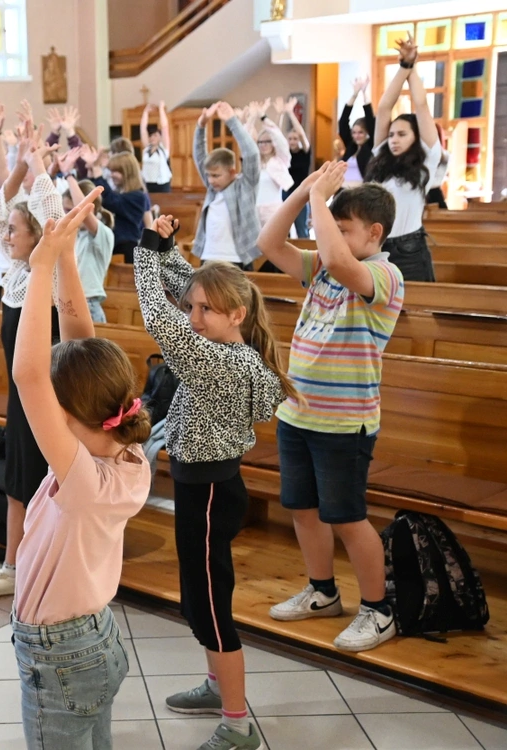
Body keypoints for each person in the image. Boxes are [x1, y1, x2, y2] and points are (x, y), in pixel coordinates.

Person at [135, 214, 290, 750]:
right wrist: (166, 248)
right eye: (194, 308)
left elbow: (158, 314)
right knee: (198, 597)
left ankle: (238, 723)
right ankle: (215, 685)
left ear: (236, 315)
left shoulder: (216, 362)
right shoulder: (228, 344)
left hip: (208, 495)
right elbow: (189, 287)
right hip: (204, 489)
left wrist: (144, 252)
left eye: (206, 310)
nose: (194, 317)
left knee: (210, 608)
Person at [12, 189, 150, 749]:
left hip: (62, 654)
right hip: (92, 640)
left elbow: (28, 376)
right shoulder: (124, 454)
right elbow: (81, 346)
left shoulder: (82, 480)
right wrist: (68, 258)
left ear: (67, 413)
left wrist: (41, 265)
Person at [257, 161, 404, 652]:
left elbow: (343, 263)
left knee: (346, 516)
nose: (330, 238)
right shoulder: (321, 268)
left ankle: (378, 610)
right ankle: (323, 592)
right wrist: (304, 192)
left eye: (343, 229)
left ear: (375, 232)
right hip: (299, 411)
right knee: (303, 509)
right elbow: (268, 244)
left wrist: (321, 200)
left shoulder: (384, 275)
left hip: (343, 421)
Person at [0, 127, 63, 603]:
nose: (5, 236)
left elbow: (53, 215)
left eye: (14, 232)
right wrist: (22, 162)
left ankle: (40, 567)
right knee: (17, 479)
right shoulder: (17, 272)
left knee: (42, 481)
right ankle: (14, 566)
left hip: (48, 397)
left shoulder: (49, 270)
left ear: (36, 238)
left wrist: (39, 167)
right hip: (19, 395)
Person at [366, 36, 441, 283]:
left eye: (401, 134)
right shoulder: (382, 158)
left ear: (416, 137)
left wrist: (411, 67)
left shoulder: (426, 160)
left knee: (419, 305)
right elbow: (384, 108)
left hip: (411, 250)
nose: (394, 140)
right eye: (391, 135)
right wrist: (403, 67)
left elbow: (422, 106)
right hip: (377, 248)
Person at [192, 102, 261, 271]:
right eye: (209, 175)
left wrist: (232, 121)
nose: (210, 180)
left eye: (216, 176)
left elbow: (252, 154)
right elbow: (199, 154)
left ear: (232, 172)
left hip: (236, 259)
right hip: (208, 257)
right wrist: (201, 124)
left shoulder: (245, 186)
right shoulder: (212, 190)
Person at [63, 177, 114, 323]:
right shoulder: (74, 235)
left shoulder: (104, 233)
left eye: (70, 210)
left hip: (88, 305)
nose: (66, 215)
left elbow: (83, 212)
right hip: (70, 303)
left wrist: (69, 177)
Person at [86, 149, 151, 262]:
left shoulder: (138, 197)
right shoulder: (121, 193)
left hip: (126, 250)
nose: (112, 175)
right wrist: (91, 170)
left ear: (128, 172)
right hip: (115, 247)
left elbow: (110, 200)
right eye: (111, 171)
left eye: (116, 171)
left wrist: (97, 170)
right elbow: (97, 195)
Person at [245, 99, 293, 228]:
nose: (263, 145)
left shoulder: (280, 160)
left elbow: (278, 137)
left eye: (267, 142)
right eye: (260, 142)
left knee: (272, 239)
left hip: (273, 210)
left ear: (273, 144)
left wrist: (263, 117)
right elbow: (244, 138)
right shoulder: (255, 162)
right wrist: (252, 117)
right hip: (254, 209)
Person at [279, 96, 313, 239]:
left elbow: (301, 133)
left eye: (295, 139)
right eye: (290, 139)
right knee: (282, 228)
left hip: (300, 193)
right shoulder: (284, 155)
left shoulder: (304, 153)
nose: (292, 141)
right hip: (285, 193)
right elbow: (277, 136)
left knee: (301, 230)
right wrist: (282, 114)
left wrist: (290, 113)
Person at [340, 77, 375, 188]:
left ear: (367, 133)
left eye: (360, 132)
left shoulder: (371, 146)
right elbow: (343, 122)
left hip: (361, 192)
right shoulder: (351, 146)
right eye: (354, 132)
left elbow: (371, 120)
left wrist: (364, 93)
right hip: (343, 190)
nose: (356, 136)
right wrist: (354, 95)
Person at [140, 101, 173, 193]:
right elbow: (143, 129)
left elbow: (165, 127)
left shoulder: (163, 149)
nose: (152, 138)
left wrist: (161, 110)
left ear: (160, 137)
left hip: (162, 184)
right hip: (147, 183)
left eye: (155, 135)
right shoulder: (147, 149)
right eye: (151, 136)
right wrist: (145, 112)